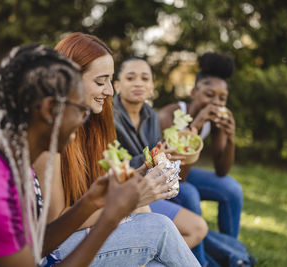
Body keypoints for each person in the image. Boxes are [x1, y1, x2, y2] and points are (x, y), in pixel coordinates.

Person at [0, 44, 145, 267]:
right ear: (50, 110)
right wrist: (110, 219)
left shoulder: (6, 162)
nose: (81, 121)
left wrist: (90, 202)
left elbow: (32, 248)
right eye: (80, 110)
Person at [36, 33, 200, 266]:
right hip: (52, 252)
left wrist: (142, 171)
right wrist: (128, 203)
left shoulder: (90, 127)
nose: (111, 91)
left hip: (79, 237)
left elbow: (91, 193)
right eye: (101, 82)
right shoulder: (49, 137)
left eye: (111, 81)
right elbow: (53, 229)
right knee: (160, 228)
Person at [112, 56, 209, 265]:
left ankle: (198, 260)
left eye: (145, 78)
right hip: (128, 189)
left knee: (189, 193)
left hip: (153, 182)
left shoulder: (151, 115)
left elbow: (158, 156)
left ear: (152, 86)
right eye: (131, 78)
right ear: (117, 85)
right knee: (193, 215)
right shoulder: (109, 118)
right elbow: (114, 165)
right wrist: (155, 156)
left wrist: (169, 153)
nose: (138, 83)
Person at [158, 52, 243, 240]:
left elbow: (222, 170)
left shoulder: (214, 121)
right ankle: (199, 259)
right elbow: (179, 177)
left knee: (232, 189)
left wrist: (231, 137)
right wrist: (195, 125)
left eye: (222, 98)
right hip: (163, 179)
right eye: (209, 95)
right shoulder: (169, 116)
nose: (215, 102)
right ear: (193, 93)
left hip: (181, 175)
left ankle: (231, 250)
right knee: (190, 193)